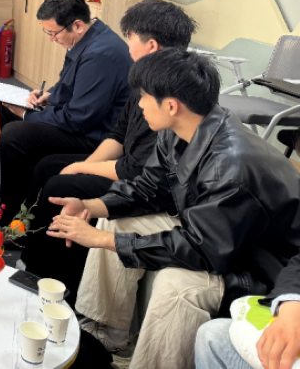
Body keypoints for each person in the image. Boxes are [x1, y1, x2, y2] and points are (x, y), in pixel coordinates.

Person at [48, 49, 300, 369]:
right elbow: (150, 188)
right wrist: (89, 206)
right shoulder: (179, 131)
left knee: (176, 284)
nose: (140, 104)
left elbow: (203, 249)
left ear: (170, 105)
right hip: (221, 237)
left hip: (260, 267)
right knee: (116, 222)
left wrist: (101, 240)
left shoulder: (231, 167)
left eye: (143, 97)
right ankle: (109, 334)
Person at [20, 0, 197, 303]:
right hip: (133, 167)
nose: (126, 45)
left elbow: (135, 169)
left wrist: (82, 168)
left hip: (153, 189)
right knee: (50, 167)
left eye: (131, 37)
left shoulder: (170, 95)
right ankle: (33, 252)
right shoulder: (146, 78)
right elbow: (119, 134)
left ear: (151, 45)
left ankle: (55, 279)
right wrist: (85, 165)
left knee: (62, 184)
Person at [0, 0, 132, 219]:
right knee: (8, 109)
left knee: (15, 133)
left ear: (77, 25)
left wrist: (28, 115)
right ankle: (16, 188)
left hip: (96, 135)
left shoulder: (99, 55)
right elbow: (72, 82)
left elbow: (79, 119)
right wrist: (49, 95)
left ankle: (15, 217)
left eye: (53, 33)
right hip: (83, 117)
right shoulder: (88, 37)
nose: (51, 39)